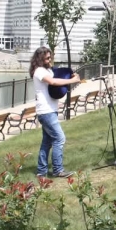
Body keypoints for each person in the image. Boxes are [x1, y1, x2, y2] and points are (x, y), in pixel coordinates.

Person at [29, 47, 80, 178]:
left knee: (47, 142)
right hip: (45, 111)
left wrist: (71, 74)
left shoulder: (47, 70)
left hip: (50, 110)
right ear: (40, 58)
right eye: (47, 57)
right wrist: (72, 81)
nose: (49, 59)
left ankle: (41, 171)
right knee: (59, 138)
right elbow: (53, 81)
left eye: (50, 57)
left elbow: (58, 75)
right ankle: (58, 170)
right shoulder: (39, 71)